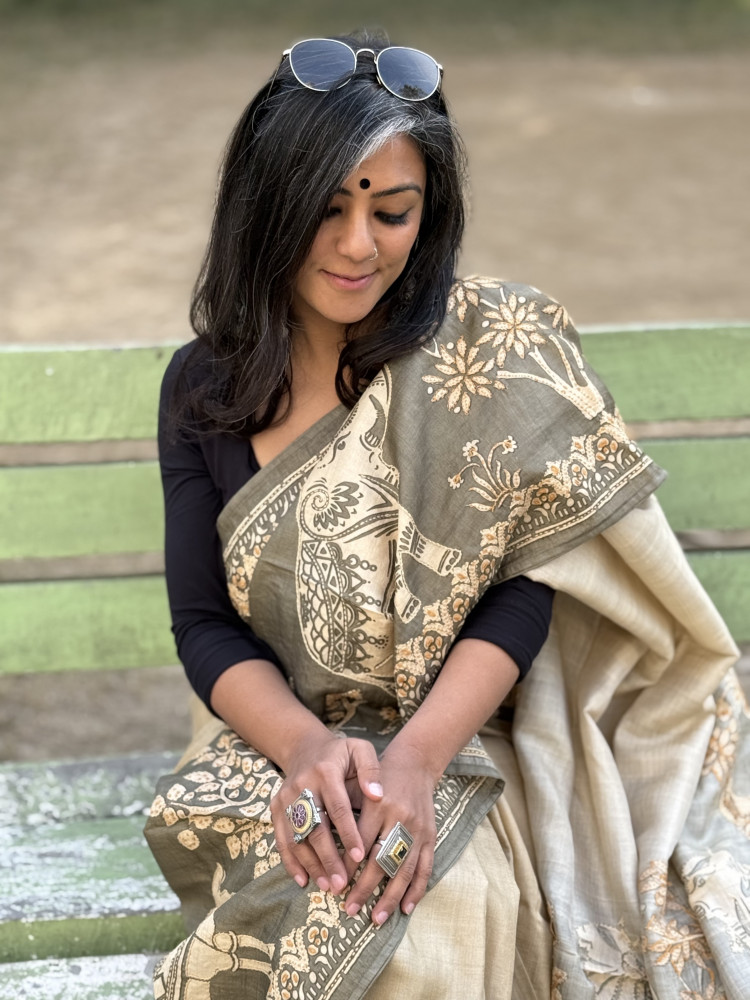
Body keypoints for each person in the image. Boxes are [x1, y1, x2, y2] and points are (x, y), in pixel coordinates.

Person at [145, 31, 749, 1000]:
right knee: (318, 888)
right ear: (266, 209)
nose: (357, 245)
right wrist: (304, 748)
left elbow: (522, 592)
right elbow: (204, 623)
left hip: (459, 731)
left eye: (392, 212)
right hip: (279, 736)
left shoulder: (486, 355)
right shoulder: (205, 388)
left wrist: (418, 760)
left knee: (438, 909)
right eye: (325, 209)